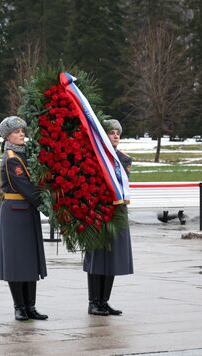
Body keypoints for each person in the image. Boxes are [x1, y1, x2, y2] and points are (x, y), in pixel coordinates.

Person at [0, 116, 48, 321]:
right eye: (17, 132)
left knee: (29, 261)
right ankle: (19, 306)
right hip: (16, 211)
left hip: (28, 211)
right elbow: (25, 187)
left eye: (22, 131)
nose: (21, 134)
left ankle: (30, 306)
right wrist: (46, 206)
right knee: (17, 261)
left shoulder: (26, 155)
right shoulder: (11, 159)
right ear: (7, 136)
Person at [83, 119, 134, 316]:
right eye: (111, 132)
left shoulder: (123, 158)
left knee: (112, 257)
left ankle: (104, 301)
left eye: (118, 132)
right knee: (97, 257)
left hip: (117, 211)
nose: (116, 135)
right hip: (98, 211)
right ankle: (93, 301)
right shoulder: (95, 157)